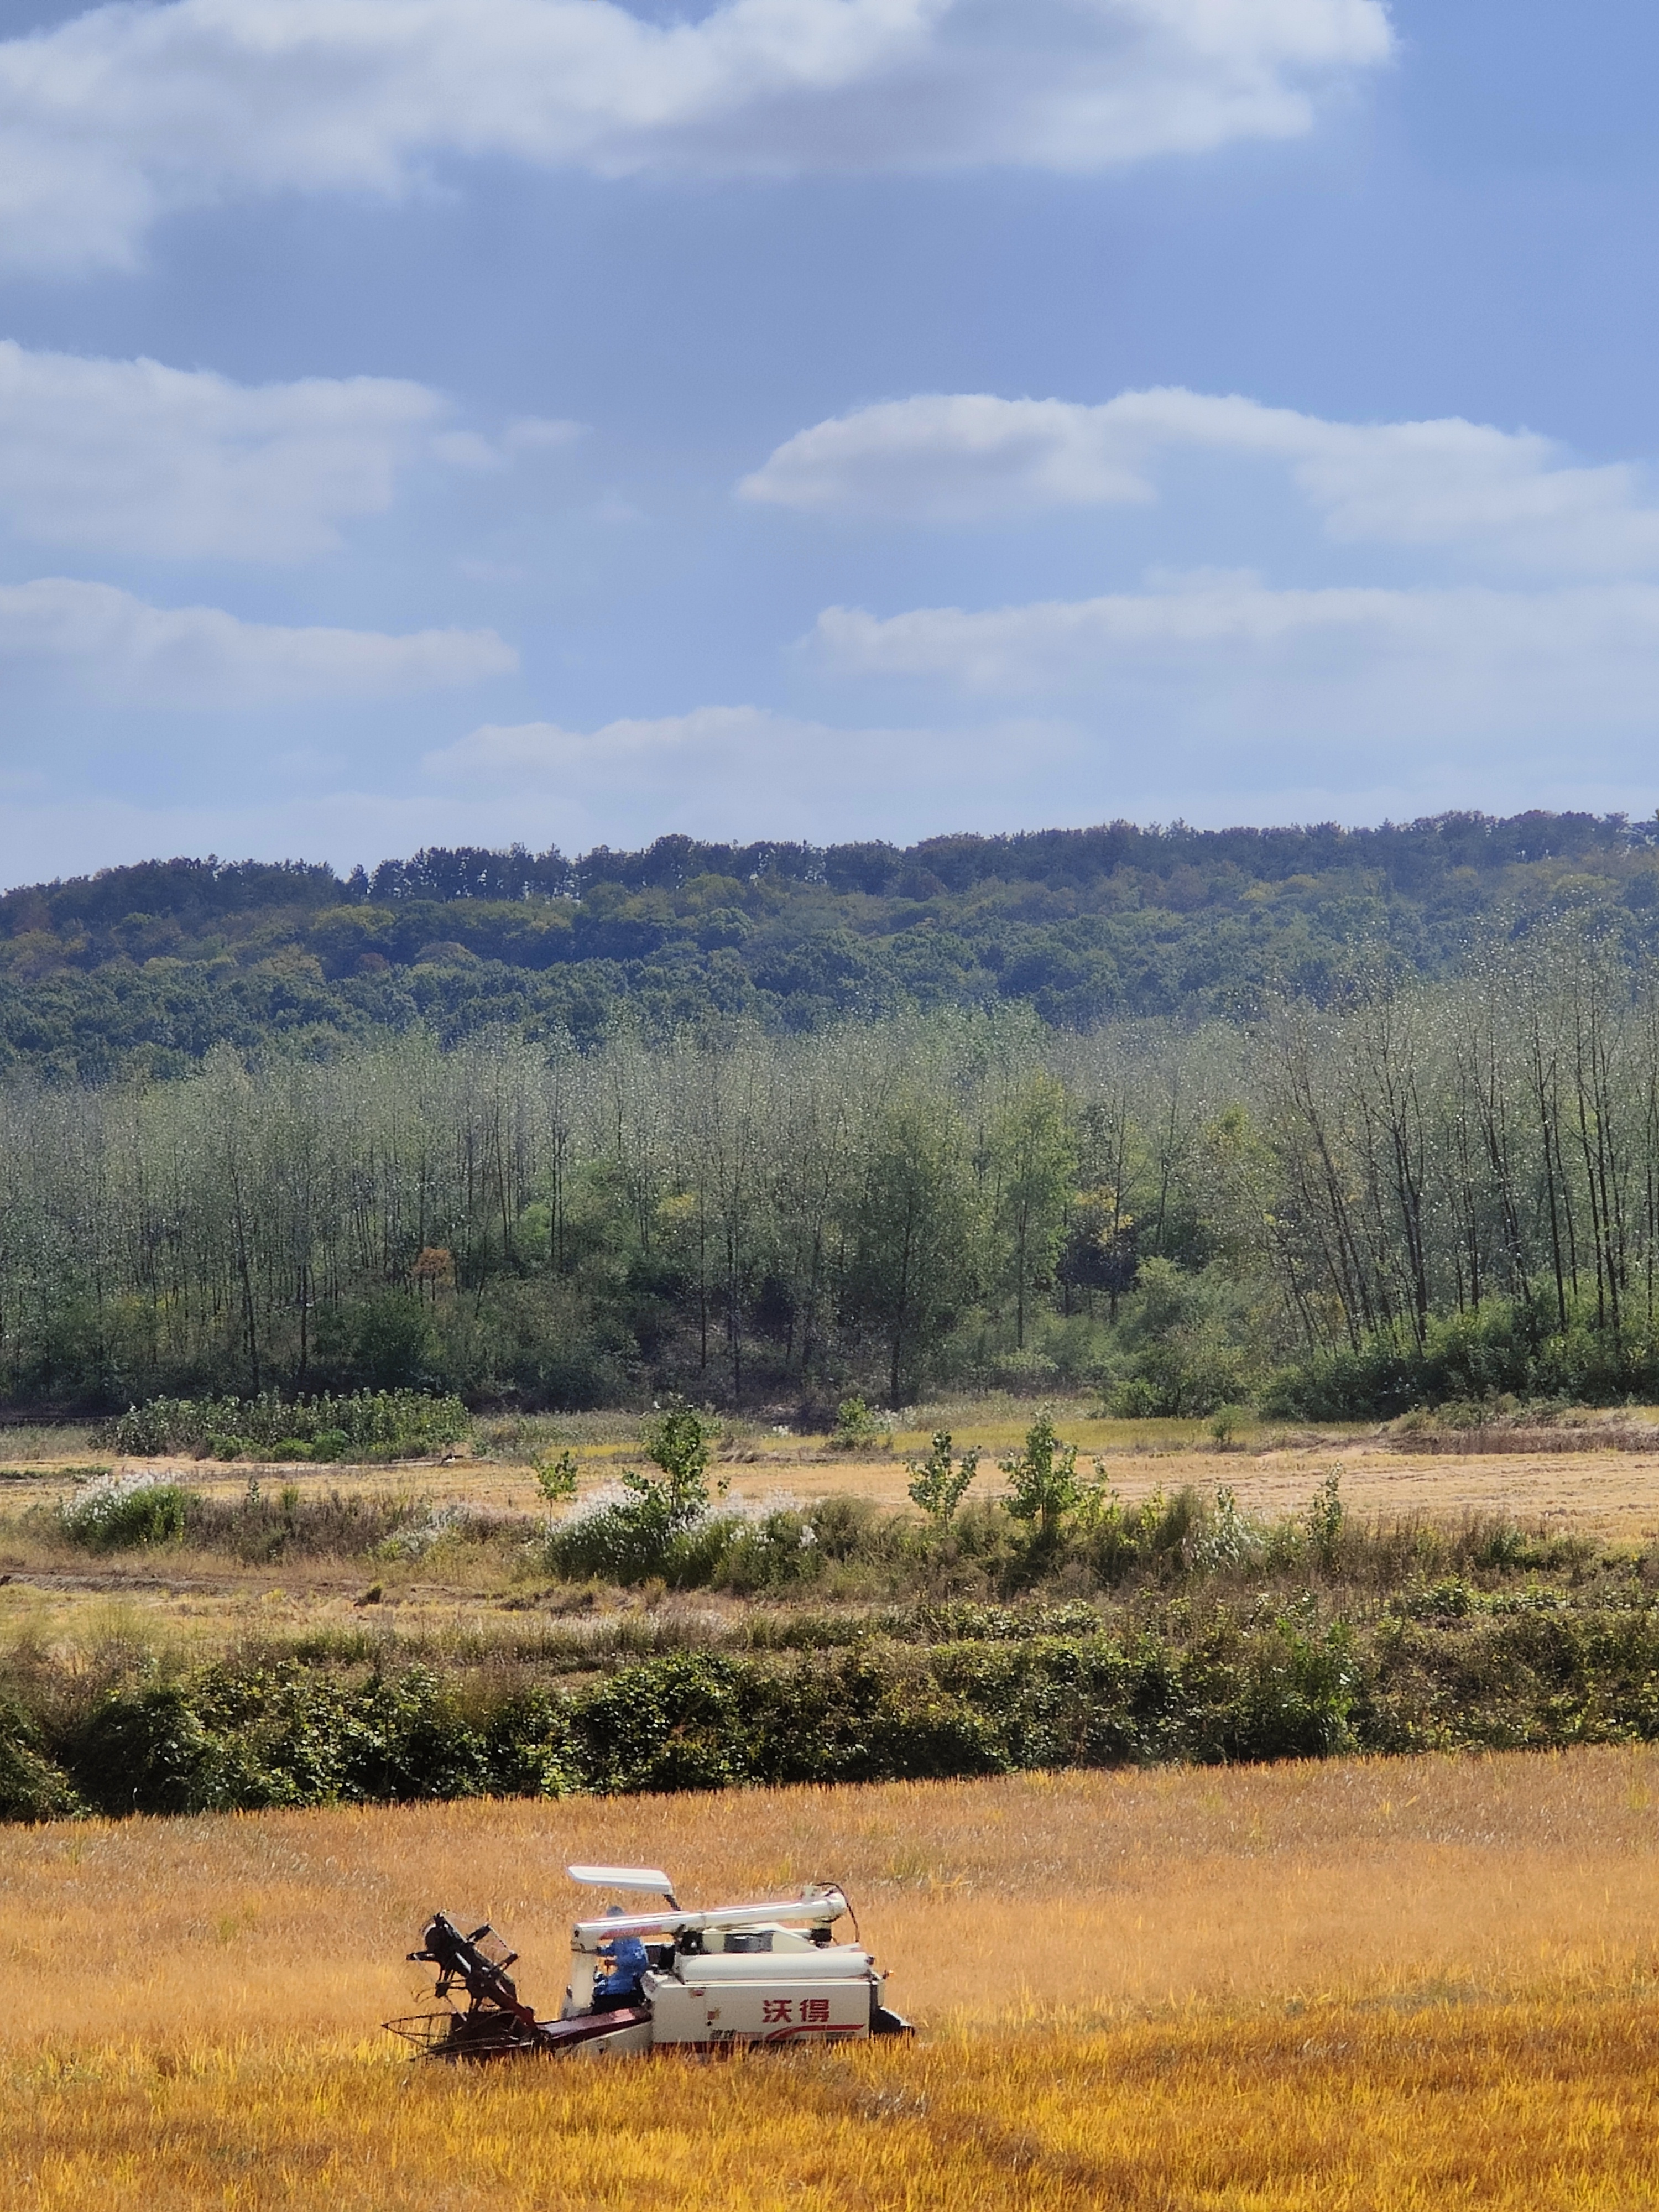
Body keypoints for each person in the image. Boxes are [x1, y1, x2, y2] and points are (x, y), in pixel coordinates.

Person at [592, 1902, 650, 2012]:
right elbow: (612, 1949)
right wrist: (598, 1951)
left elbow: (636, 1959)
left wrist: (615, 1962)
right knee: (600, 1988)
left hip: (632, 1979)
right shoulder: (619, 1938)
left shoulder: (633, 1938)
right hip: (621, 1975)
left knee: (608, 1993)